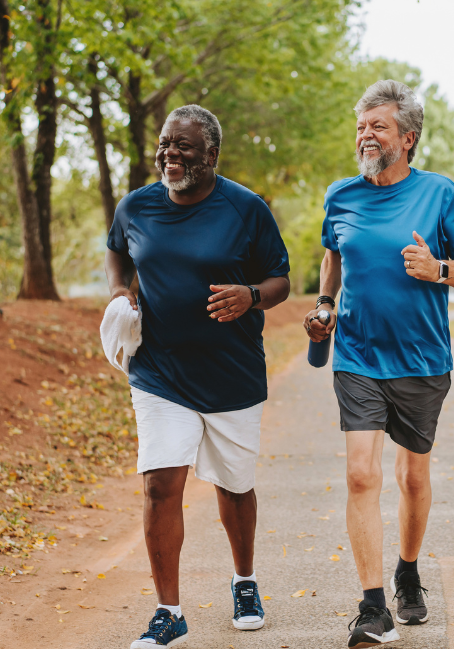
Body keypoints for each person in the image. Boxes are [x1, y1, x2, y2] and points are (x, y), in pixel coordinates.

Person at [304, 80, 454, 648]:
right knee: (361, 473)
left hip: (423, 357)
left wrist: (438, 270)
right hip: (357, 353)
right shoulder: (341, 195)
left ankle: (408, 570)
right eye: (361, 126)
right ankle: (372, 606)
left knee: (412, 475)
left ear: (407, 138)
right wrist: (325, 305)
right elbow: (333, 256)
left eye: (378, 126)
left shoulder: (440, 194)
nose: (365, 135)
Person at [105, 105, 291, 648]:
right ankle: (169, 612)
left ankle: (245, 580)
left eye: (183, 146)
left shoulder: (246, 209)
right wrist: (122, 293)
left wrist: (250, 297)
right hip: (160, 372)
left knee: (234, 487)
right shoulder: (136, 206)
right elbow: (117, 253)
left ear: (211, 154)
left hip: (231, 374)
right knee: (161, 484)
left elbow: (278, 279)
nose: (170, 154)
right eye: (165, 143)